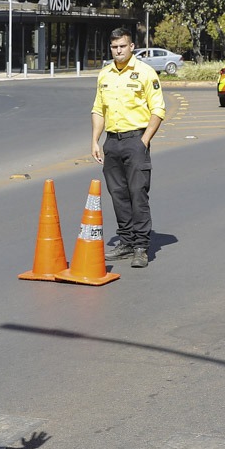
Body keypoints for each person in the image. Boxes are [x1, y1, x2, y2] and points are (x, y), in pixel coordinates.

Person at [89, 27, 164, 268]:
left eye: (122, 46)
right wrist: (95, 140)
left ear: (132, 46)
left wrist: (143, 141)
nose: (118, 50)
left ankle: (141, 246)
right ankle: (126, 242)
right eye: (114, 47)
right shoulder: (105, 74)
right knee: (118, 194)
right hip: (112, 141)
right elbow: (99, 110)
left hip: (135, 140)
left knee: (137, 193)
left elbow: (158, 110)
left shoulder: (145, 73)